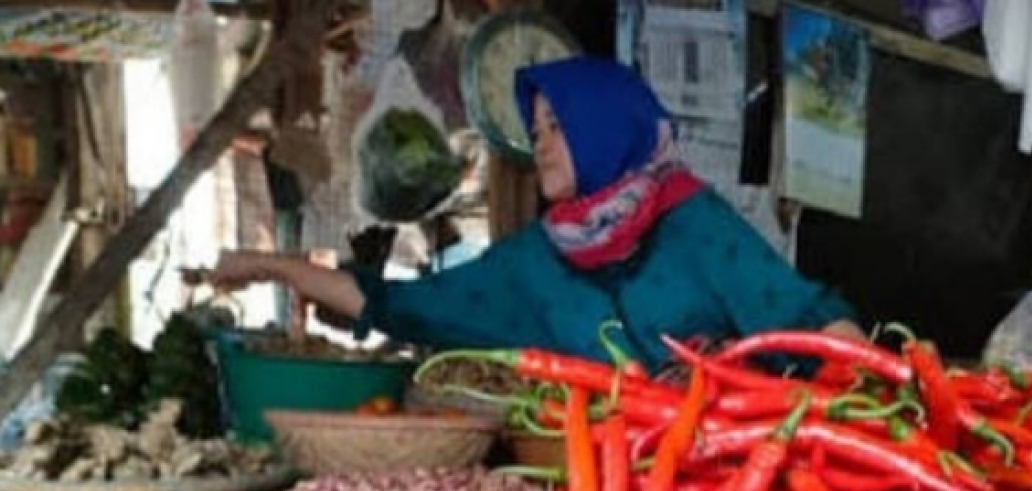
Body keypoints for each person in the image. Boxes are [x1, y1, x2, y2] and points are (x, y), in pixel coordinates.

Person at [195, 57, 863, 372]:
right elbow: (404, 305)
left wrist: (886, 399)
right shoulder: (537, 260)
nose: (538, 142)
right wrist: (269, 266)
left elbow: (806, 320)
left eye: (555, 125)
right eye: (537, 127)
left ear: (606, 127)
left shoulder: (694, 221)